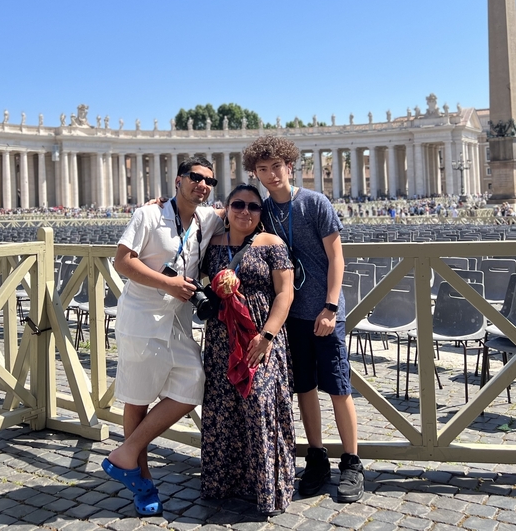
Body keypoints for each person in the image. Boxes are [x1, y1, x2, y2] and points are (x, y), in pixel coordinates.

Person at [242, 135, 365, 503]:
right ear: (256, 173)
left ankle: (352, 462)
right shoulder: (262, 210)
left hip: (323, 312)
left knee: (339, 388)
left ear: (289, 166)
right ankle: (316, 457)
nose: (270, 174)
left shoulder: (315, 203)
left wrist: (330, 307)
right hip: (290, 317)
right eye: (262, 169)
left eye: (276, 166)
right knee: (305, 388)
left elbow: (337, 258)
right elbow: (230, 220)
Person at [103, 157, 223, 516]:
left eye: (209, 181)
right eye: (195, 178)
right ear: (178, 180)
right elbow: (122, 261)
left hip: (177, 321)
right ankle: (142, 480)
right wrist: (168, 283)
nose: (202, 185)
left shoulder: (208, 218)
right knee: (137, 400)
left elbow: (239, 213)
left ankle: (125, 453)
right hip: (141, 318)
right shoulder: (149, 215)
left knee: (193, 383)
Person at [201, 184, 295, 515]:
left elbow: (285, 293)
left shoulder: (272, 243)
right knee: (222, 406)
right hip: (221, 337)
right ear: (226, 209)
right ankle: (225, 482)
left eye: (253, 207)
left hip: (261, 338)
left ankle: (267, 486)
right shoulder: (211, 244)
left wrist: (267, 335)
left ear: (261, 213)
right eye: (237, 205)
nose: (245, 211)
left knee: (259, 403)